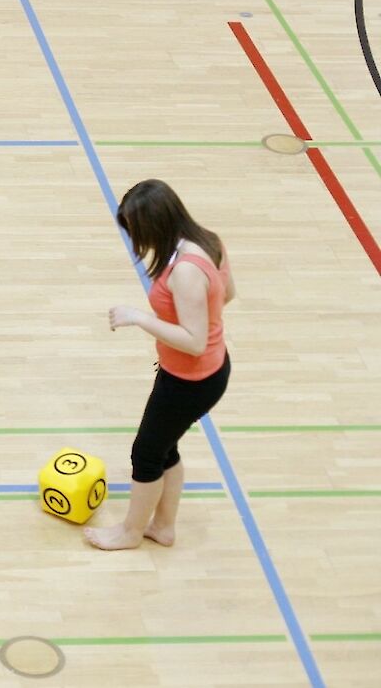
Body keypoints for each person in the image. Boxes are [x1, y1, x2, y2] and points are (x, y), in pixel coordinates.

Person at [86, 179, 235, 550]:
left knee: (147, 454)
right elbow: (227, 293)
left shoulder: (184, 270)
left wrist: (140, 317)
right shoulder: (208, 242)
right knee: (165, 447)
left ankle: (130, 532)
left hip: (190, 380)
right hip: (201, 372)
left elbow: (194, 341)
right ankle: (163, 527)